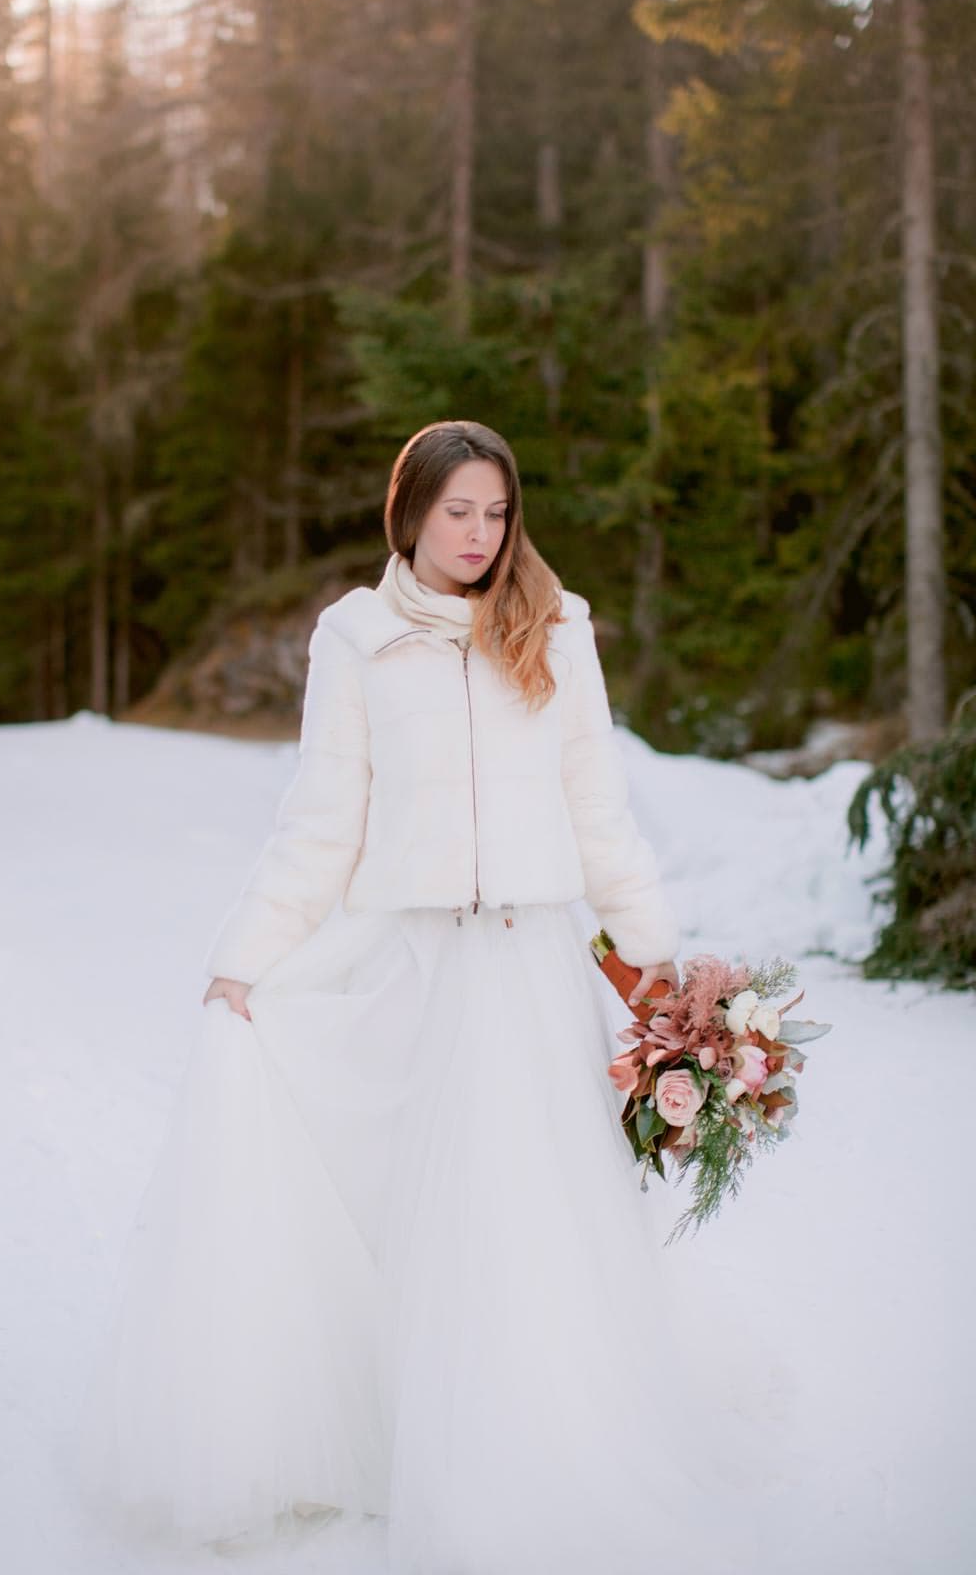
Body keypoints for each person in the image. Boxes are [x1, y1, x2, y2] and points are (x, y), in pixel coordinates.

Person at [70, 420, 760, 1575]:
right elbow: (323, 819)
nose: (481, 536)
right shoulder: (357, 637)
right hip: (412, 968)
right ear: (410, 514)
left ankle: (540, 1449)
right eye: (458, 513)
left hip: (534, 969)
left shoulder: (559, 625)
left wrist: (663, 964)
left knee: (530, 1222)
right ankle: (411, 1441)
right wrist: (247, 951)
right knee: (419, 1220)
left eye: (497, 513)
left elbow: (599, 813)